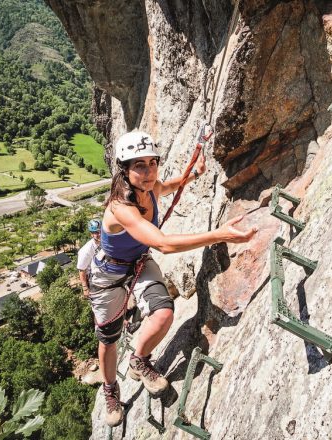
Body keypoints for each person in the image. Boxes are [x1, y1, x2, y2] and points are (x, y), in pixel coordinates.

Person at [89, 130, 258, 426]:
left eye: (151, 163)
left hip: (138, 263)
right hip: (110, 273)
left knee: (164, 313)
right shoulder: (121, 207)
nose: (148, 171)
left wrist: (191, 177)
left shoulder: (150, 188)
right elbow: (164, 244)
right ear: (124, 170)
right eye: (138, 165)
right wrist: (219, 235)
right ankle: (110, 391)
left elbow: (166, 186)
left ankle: (139, 359)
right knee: (109, 338)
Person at [77, 219, 102, 299]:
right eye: (96, 232)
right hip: (92, 279)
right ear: (91, 234)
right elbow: (81, 270)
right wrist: (85, 288)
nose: (100, 234)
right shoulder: (86, 250)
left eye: (101, 231)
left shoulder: (105, 242)